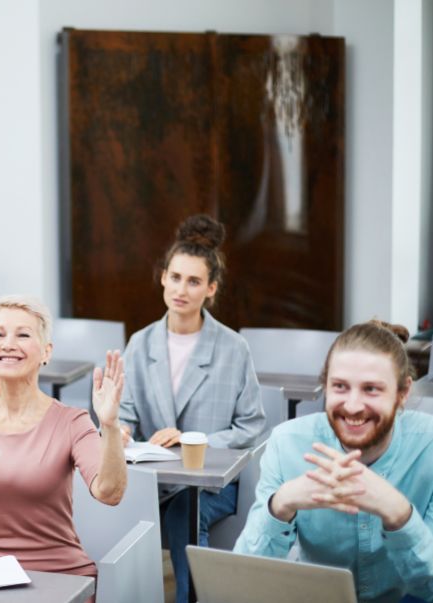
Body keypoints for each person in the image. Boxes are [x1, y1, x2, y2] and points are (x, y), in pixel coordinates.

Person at [235, 320, 433, 603]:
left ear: (402, 393)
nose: (353, 406)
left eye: (371, 389)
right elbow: (243, 582)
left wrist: (400, 515)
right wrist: (280, 504)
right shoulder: (287, 443)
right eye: (340, 386)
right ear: (325, 386)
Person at [118, 214, 265, 603]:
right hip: (153, 477)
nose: (182, 289)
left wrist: (192, 441)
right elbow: (126, 414)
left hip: (214, 484)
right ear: (163, 277)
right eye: (176, 277)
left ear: (211, 289)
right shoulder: (140, 343)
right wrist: (119, 431)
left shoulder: (234, 348)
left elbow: (251, 426)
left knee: (185, 510)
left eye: (194, 281)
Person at [0, 295, 127, 581]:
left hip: (61, 577)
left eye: (23, 335)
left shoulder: (72, 421)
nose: (8, 344)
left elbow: (110, 492)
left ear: (46, 352)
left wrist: (110, 424)